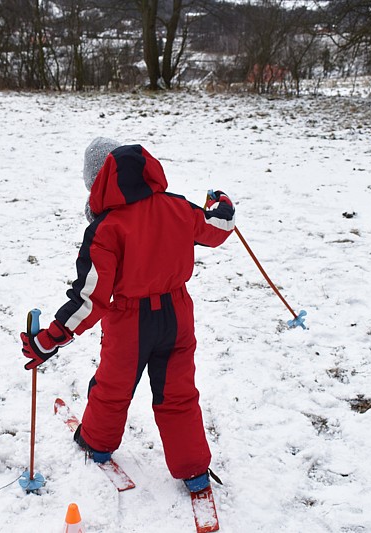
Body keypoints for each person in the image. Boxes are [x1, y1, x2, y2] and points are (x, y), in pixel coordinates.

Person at [20, 137, 236, 493]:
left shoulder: (107, 229)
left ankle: (97, 442)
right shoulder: (178, 208)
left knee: (113, 386)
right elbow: (218, 228)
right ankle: (193, 469)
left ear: (99, 183)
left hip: (130, 322)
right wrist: (222, 204)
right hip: (177, 315)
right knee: (177, 393)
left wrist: (48, 340)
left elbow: (90, 299)